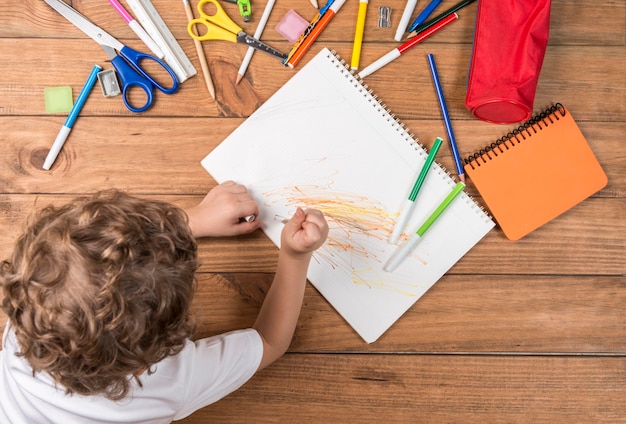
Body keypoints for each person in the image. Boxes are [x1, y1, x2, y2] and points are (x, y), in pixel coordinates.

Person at [0, 181, 328, 423]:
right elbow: (270, 341)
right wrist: (295, 255)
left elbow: (88, 265)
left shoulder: (29, 312)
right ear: (150, 361)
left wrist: (195, 219)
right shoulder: (168, 386)